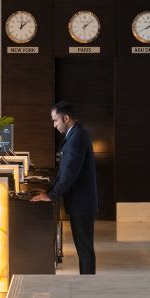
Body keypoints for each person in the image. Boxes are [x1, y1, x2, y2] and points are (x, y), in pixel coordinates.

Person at [32, 101, 98, 275]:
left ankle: (88, 284)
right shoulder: (75, 135)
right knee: (84, 248)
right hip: (80, 203)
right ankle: (86, 282)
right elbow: (64, 172)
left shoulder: (77, 138)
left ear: (66, 118)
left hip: (82, 203)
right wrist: (49, 192)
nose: (54, 125)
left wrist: (51, 195)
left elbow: (69, 173)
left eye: (55, 120)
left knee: (84, 249)